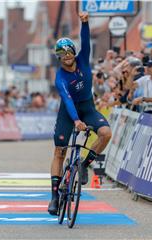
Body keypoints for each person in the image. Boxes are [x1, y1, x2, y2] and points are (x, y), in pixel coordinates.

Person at [48, 12, 112, 215]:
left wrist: (85, 22)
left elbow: (86, 41)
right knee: (60, 151)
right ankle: (55, 197)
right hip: (69, 112)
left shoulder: (83, 59)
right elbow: (67, 99)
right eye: (61, 55)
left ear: (73, 53)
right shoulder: (60, 77)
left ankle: (84, 165)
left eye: (68, 53)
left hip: (88, 107)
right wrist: (75, 120)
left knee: (105, 134)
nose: (66, 57)